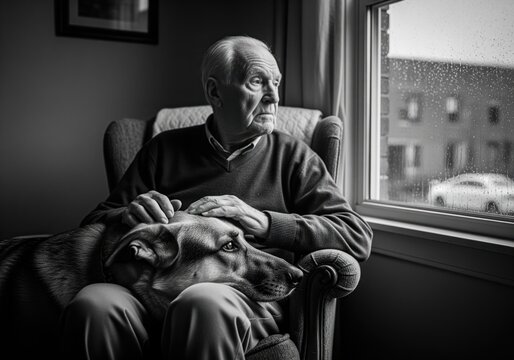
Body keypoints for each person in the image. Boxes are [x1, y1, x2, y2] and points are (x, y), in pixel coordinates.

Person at [60, 35, 372, 360]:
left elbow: (356, 235)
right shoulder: (163, 150)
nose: (274, 96)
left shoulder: (294, 156)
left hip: (249, 293)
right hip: (154, 290)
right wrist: (129, 213)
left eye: (276, 83)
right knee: (93, 303)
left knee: (201, 302)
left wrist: (265, 222)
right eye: (257, 82)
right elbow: (93, 222)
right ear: (215, 92)